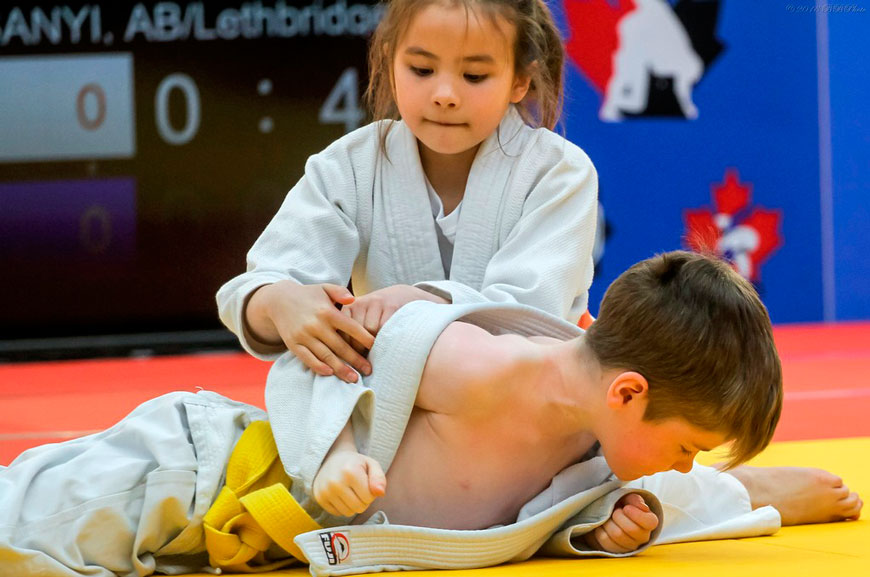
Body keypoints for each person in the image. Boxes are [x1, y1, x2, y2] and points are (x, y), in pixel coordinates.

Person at [1, 252, 861, 577]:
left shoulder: (600, 453)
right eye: (688, 445)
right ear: (627, 391)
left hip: (246, 543)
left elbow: (646, 504)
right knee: (21, 527)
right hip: (202, 469)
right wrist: (328, 454)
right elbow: (315, 372)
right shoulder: (473, 361)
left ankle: (762, 487)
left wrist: (591, 535)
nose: (682, 463)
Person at [217, 0, 599, 384]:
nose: (445, 94)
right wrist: (280, 302)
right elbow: (255, 287)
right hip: (388, 404)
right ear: (389, 63)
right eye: (421, 70)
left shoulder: (558, 172)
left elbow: (529, 311)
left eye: (475, 75)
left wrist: (420, 304)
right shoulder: (350, 166)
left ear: (520, 80)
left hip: (526, 405)